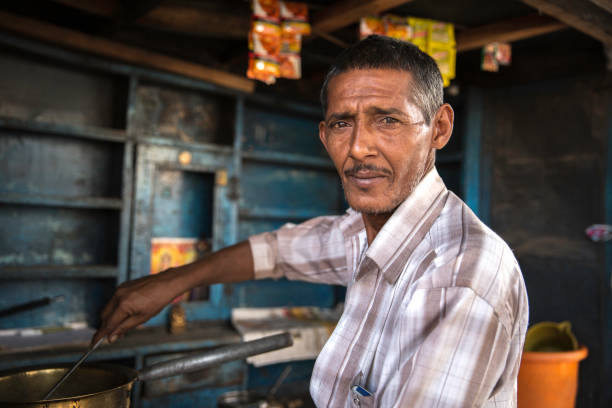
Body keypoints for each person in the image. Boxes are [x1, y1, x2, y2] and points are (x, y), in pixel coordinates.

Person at [93, 35, 528, 407]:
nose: (358, 148)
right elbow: (277, 253)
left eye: (388, 121)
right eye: (343, 124)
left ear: (439, 128)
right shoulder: (367, 231)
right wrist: (173, 281)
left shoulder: (456, 276)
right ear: (325, 136)